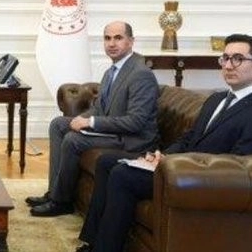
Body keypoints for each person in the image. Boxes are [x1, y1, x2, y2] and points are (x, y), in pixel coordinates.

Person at [75, 33, 252, 252]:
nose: (228, 65)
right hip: (179, 167)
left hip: (200, 180)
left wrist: (176, 165)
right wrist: (163, 157)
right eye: (225, 58)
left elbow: (239, 167)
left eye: (238, 59)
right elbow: (189, 137)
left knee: (122, 175)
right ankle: (92, 241)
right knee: (107, 162)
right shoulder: (217, 99)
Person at [29, 21, 159, 217]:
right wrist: (79, 118)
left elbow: (135, 122)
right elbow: (99, 108)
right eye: (107, 38)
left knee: (73, 140)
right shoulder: (111, 72)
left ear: (131, 41)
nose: (111, 43)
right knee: (58, 125)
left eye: (118, 38)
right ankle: (54, 191)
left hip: (131, 140)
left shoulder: (141, 74)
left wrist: (90, 123)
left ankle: (61, 202)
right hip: (113, 132)